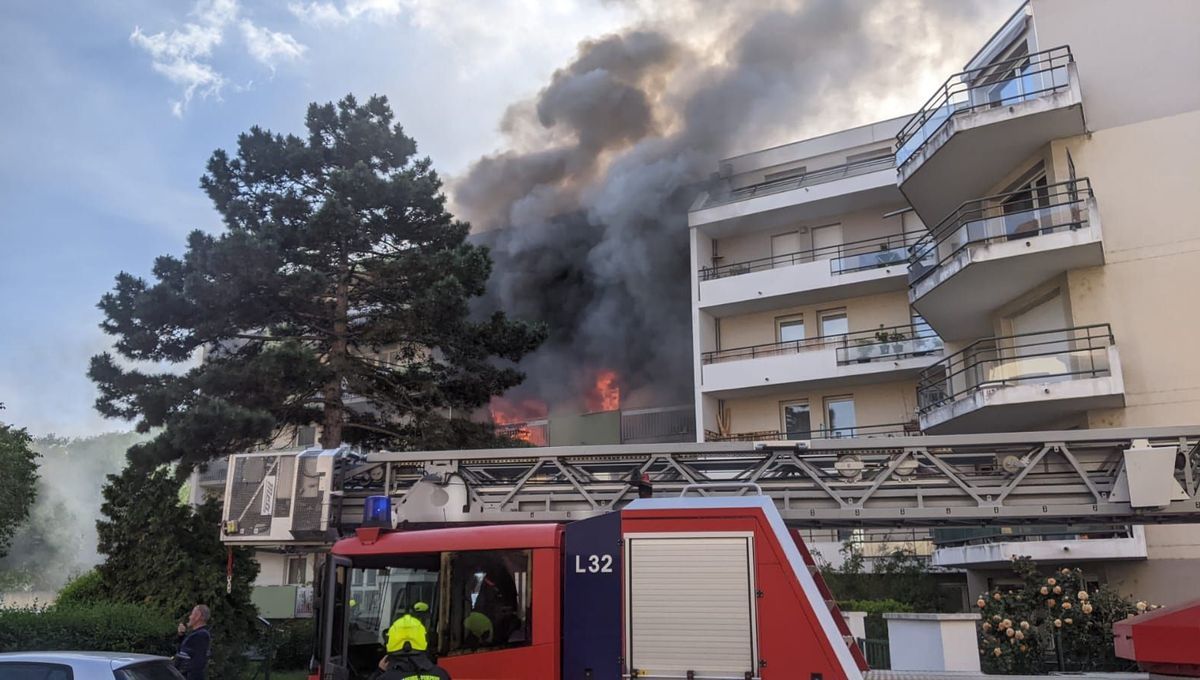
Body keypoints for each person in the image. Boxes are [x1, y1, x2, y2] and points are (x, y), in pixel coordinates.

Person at [376, 602, 450, 680]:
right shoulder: (441, 675)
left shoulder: (386, 678)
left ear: (390, 641)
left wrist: (380, 672)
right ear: (424, 639)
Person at [174, 604, 212, 680]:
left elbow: (197, 662)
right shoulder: (195, 634)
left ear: (198, 616)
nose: (189, 617)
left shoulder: (201, 635)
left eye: (192, 614)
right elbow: (183, 652)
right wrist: (181, 636)